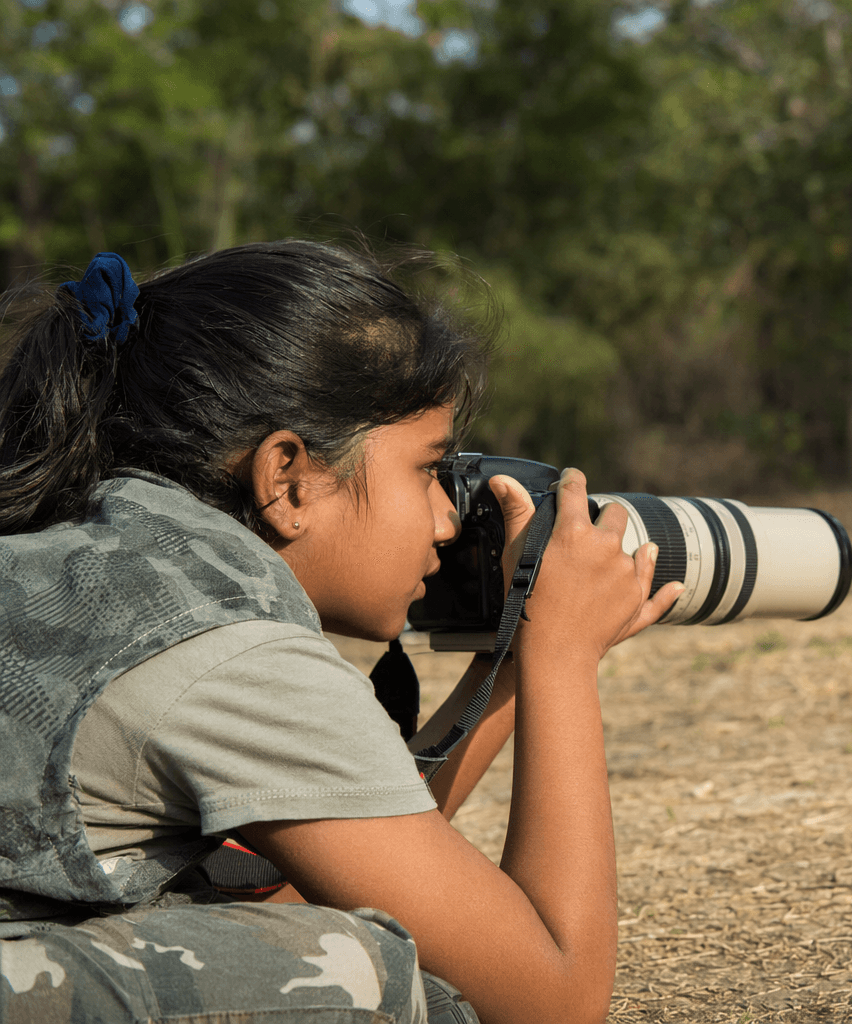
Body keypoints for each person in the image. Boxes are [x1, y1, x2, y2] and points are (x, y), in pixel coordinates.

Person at [0, 242, 684, 1024]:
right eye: (427, 469)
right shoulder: (229, 652)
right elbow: (554, 998)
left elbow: (320, 884)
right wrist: (562, 658)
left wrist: (513, 656)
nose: (448, 519)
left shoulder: (107, 562)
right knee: (358, 974)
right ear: (289, 479)